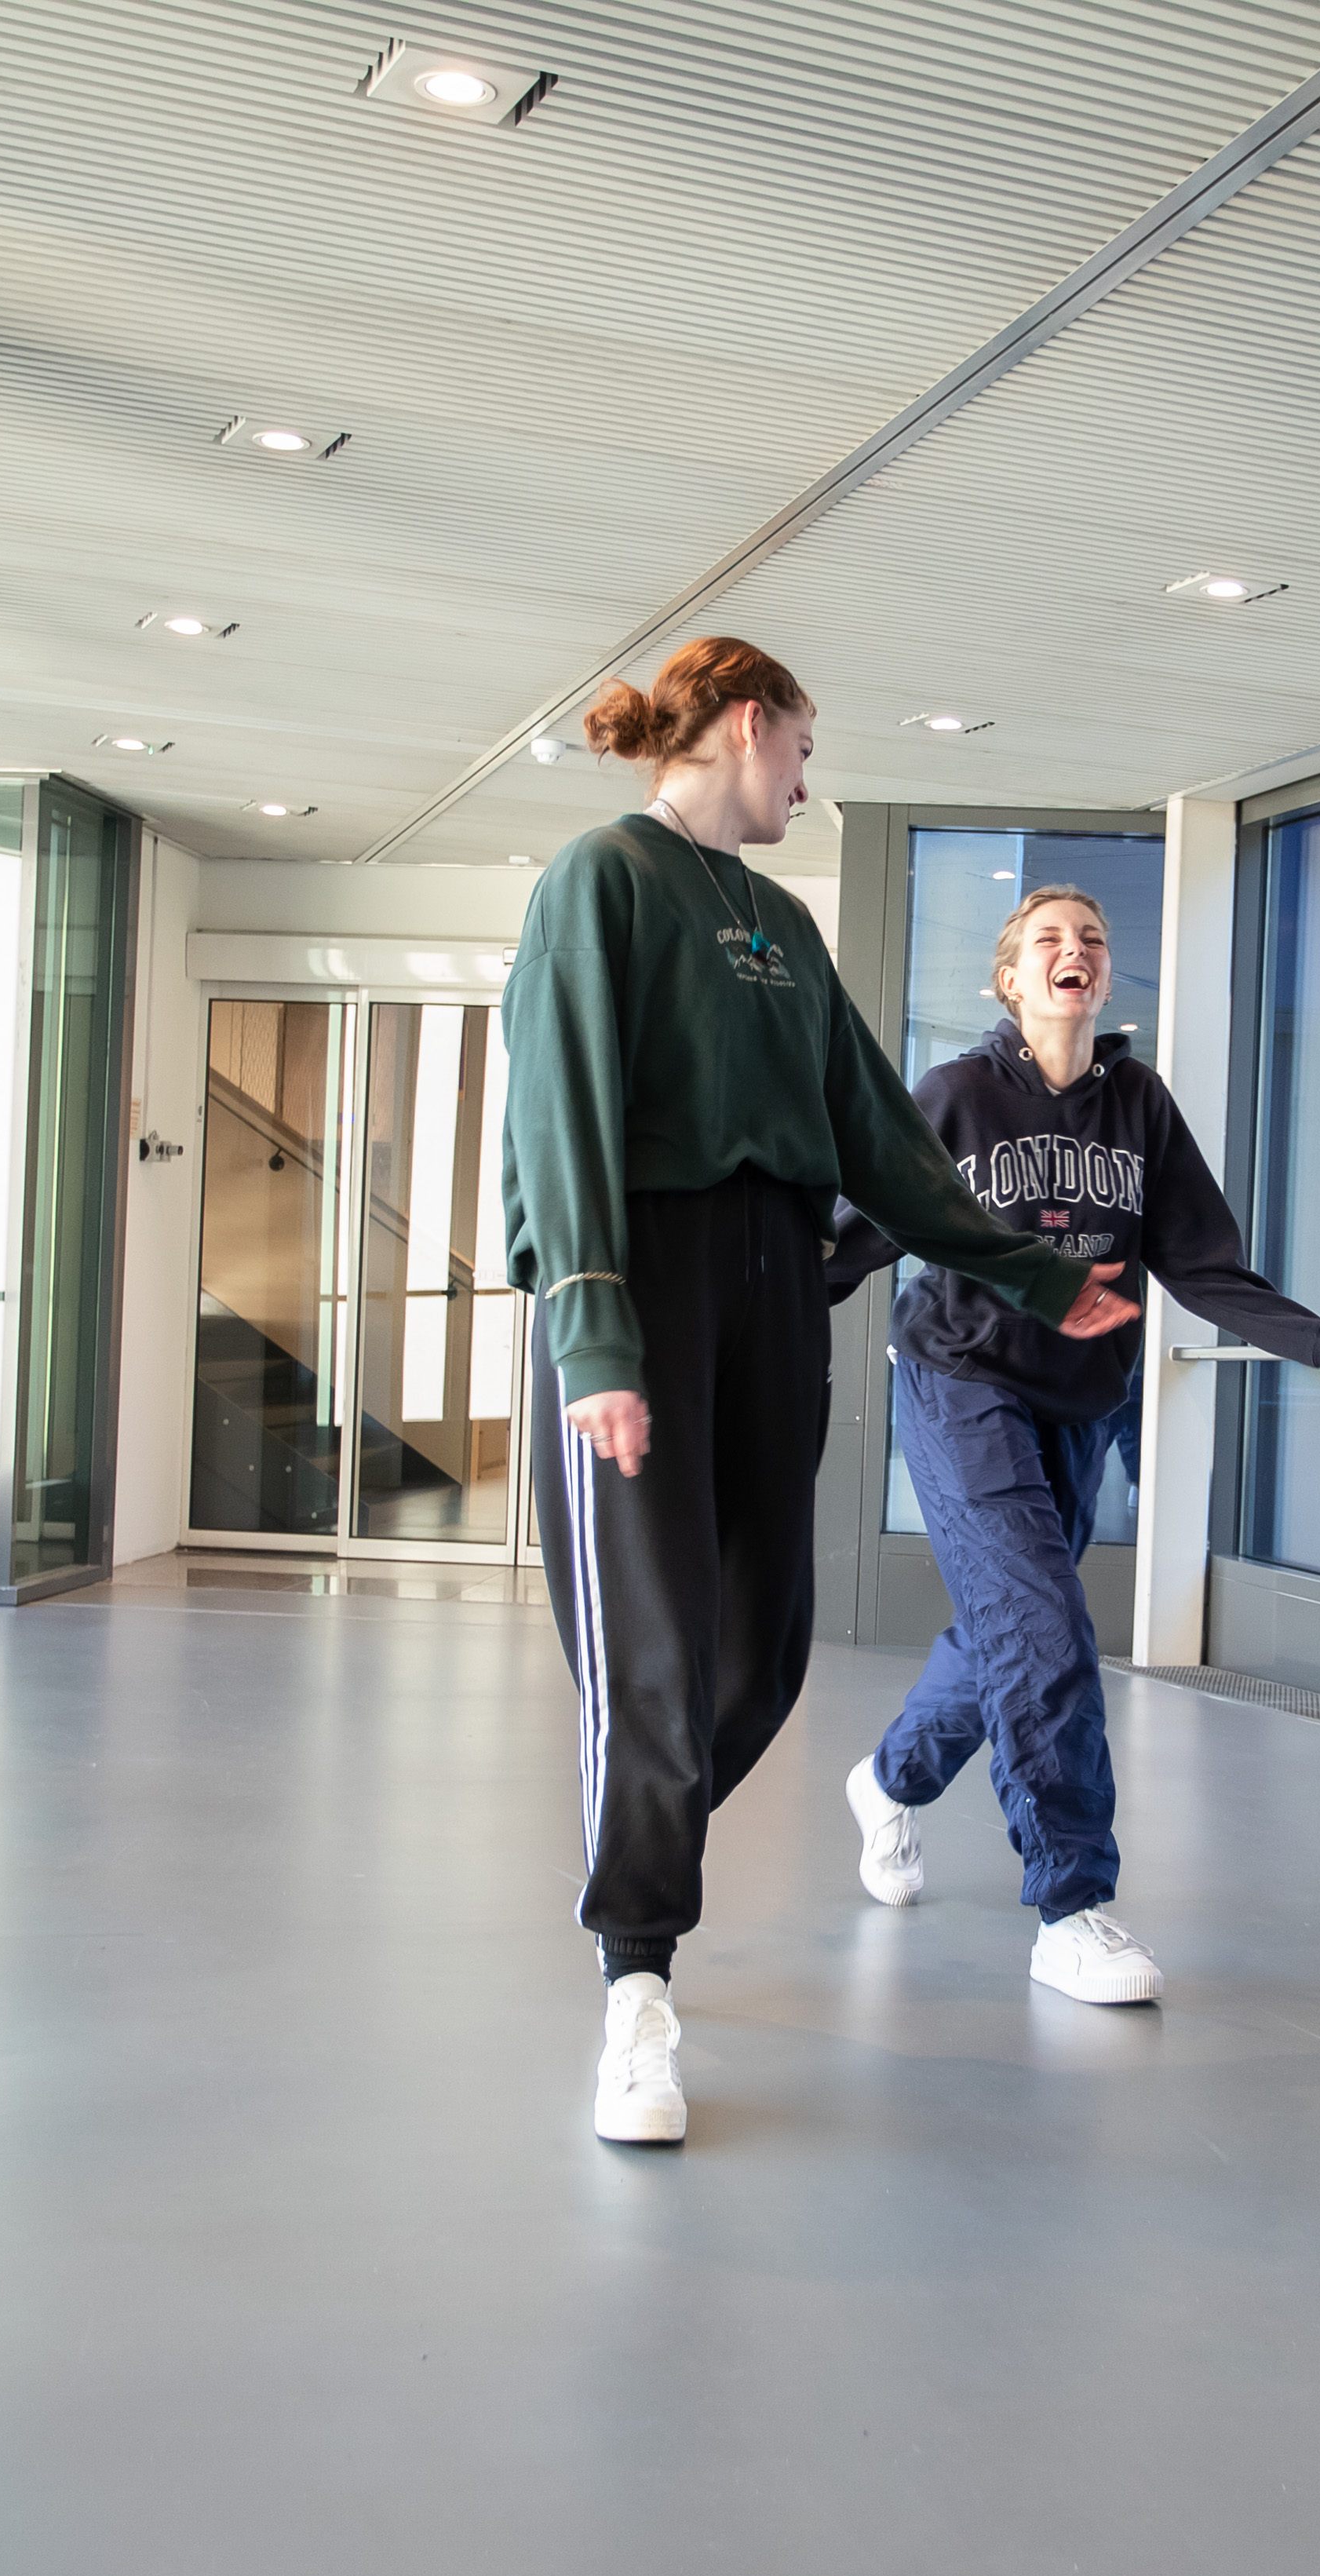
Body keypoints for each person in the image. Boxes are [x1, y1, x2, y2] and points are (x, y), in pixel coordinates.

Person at [502, 640, 1140, 2146]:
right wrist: (592, 1330)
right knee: (654, 1658)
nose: (807, 772)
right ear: (745, 725)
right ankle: (637, 1984)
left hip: (779, 1291)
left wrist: (1041, 1273)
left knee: (766, 1652)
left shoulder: (783, 923)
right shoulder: (602, 879)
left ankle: (631, 1832)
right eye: (801, 742)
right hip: (641, 1286)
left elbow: (885, 1141)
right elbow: (559, 1104)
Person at [828, 885, 1320, 2001]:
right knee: (1042, 1622)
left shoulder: (1139, 1106)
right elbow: (863, 1230)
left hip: (1077, 1402)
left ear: (1104, 981)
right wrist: (737, 1325)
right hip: (961, 1385)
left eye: (1094, 941)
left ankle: (891, 1779)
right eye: (1049, 940)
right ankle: (1072, 1904)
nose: (1077, 952)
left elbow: (1205, 1264)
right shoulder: (954, 1095)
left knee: (1009, 1624)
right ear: (1009, 979)